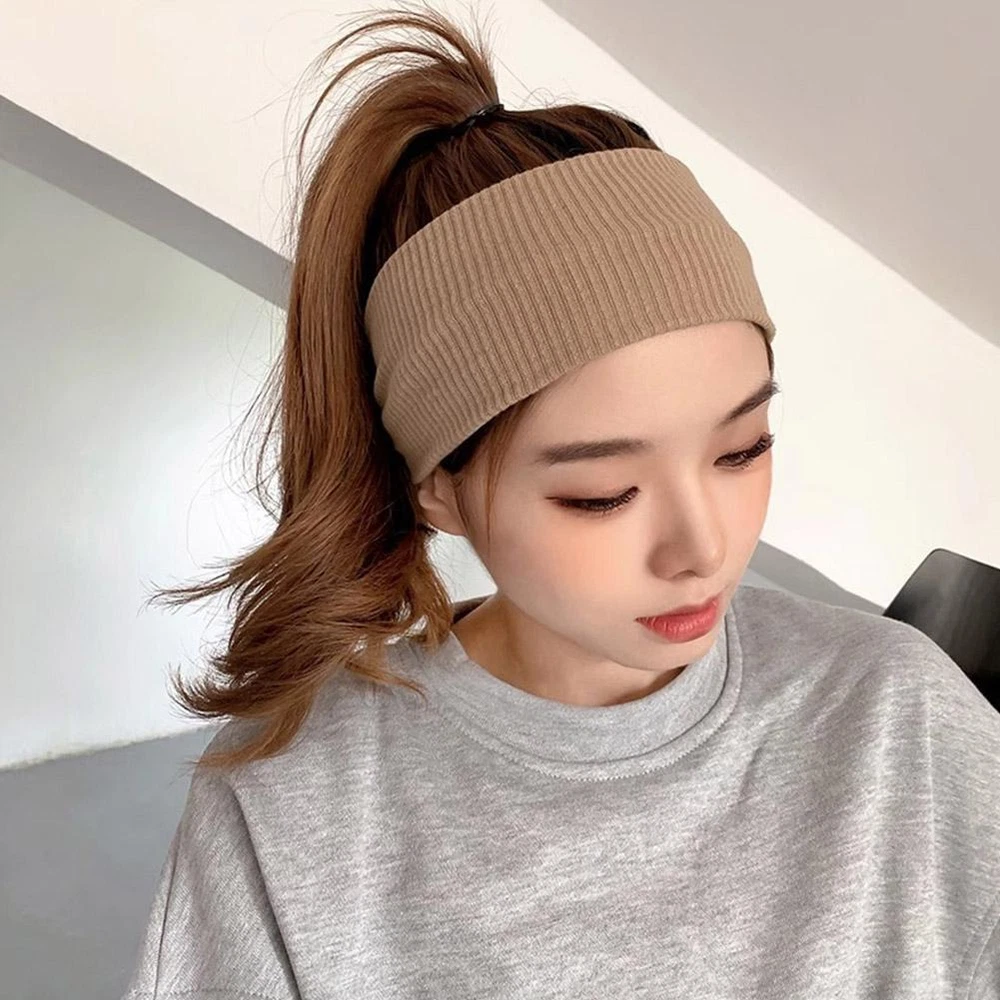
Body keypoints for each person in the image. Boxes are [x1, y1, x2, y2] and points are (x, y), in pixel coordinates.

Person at [122, 6, 1000, 998]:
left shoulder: (894, 715)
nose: (704, 546)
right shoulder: (289, 805)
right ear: (440, 488)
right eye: (601, 494)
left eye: (742, 448)